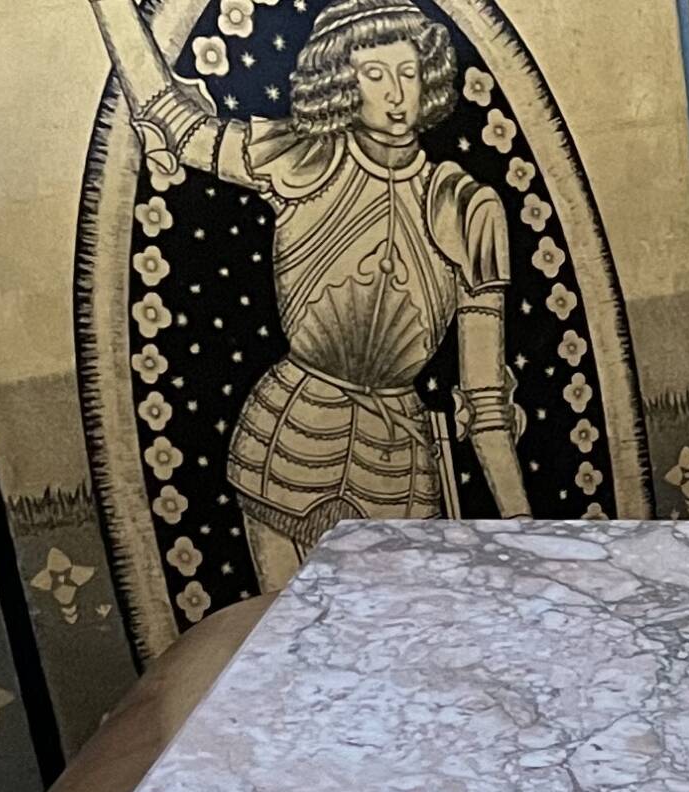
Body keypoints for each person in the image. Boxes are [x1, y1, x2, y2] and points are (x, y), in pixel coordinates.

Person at [86, 0, 529, 589]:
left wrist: (524, 526)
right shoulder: (303, 158)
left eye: (407, 71)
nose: (396, 95)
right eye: (374, 75)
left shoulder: (468, 206)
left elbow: (484, 397)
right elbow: (175, 123)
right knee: (287, 647)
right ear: (342, 81)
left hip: (398, 463)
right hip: (284, 441)